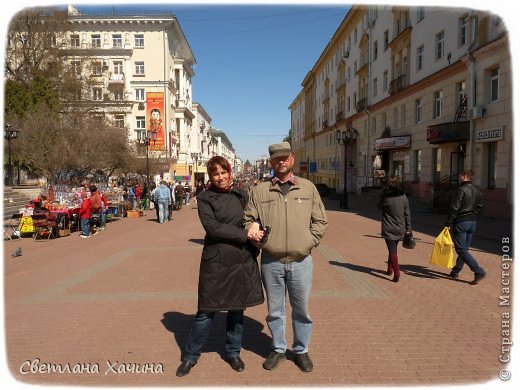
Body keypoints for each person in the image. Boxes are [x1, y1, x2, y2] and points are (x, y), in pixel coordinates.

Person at [244, 141, 328, 373]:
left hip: (301, 262)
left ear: (291, 159)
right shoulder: (260, 190)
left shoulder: (308, 188)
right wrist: (253, 230)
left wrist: (307, 243)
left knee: (301, 310)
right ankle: (279, 348)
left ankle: (301, 350)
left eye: (285, 157)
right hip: (271, 261)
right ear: (271, 162)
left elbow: (320, 221)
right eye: (276, 158)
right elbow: (248, 218)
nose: (281, 162)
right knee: (275, 311)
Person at [176, 156, 264, 377]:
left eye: (224, 172)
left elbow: (254, 218)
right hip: (216, 262)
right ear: (211, 176)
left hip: (240, 260)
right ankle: (190, 356)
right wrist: (245, 234)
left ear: (230, 173)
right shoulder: (205, 198)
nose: (221, 177)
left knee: (236, 310)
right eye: (216, 174)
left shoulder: (242, 195)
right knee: (206, 311)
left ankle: (233, 353)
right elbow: (213, 227)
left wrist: (256, 228)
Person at [445, 169, 485, 285]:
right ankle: (456, 271)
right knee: (464, 249)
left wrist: (448, 222)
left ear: (465, 176)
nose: (458, 178)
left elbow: (454, 207)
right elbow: (480, 207)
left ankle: (478, 271)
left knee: (461, 249)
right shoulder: (478, 191)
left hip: (461, 222)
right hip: (472, 222)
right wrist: (472, 215)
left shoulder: (461, 190)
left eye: (460, 176)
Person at [378, 175, 412, 282]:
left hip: (388, 227)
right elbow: (407, 214)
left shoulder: (385, 197)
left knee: (392, 250)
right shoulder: (403, 197)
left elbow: (379, 206)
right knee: (392, 249)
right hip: (400, 227)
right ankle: (389, 268)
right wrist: (409, 229)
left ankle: (396, 272)